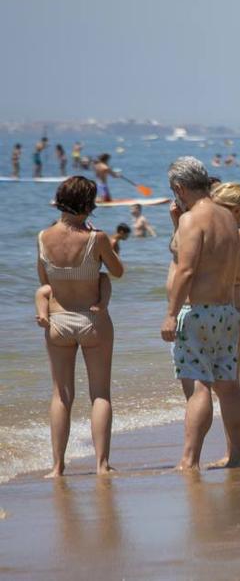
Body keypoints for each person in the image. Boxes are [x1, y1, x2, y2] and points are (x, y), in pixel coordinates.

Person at [35, 177, 124, 476]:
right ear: (89, 204)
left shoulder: (43, 236)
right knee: (100, 394)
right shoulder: (96, 238)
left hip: (58, 320)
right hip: (93, 320)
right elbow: (117, 271)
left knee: (61, 395)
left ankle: (57, 467)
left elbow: (44, 282)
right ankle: (102, 465)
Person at [162, 156, 240, 471]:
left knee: (198, 387)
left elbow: (185, 270)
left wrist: (171, 314)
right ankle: (237, 455)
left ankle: (189, 459)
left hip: (197, 313)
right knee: (229, 384)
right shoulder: (227, 216)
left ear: (180, 188)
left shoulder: (191, 219)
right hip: (227, 311)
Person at [210, 182, 240, 467]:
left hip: (231, 312)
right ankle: (233, 452)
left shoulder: (239, 236)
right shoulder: (238, 234)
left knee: (228, 387)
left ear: (236, 211)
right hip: (233, 312)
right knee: (225, 386)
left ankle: (237, 454)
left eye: (219, 210)